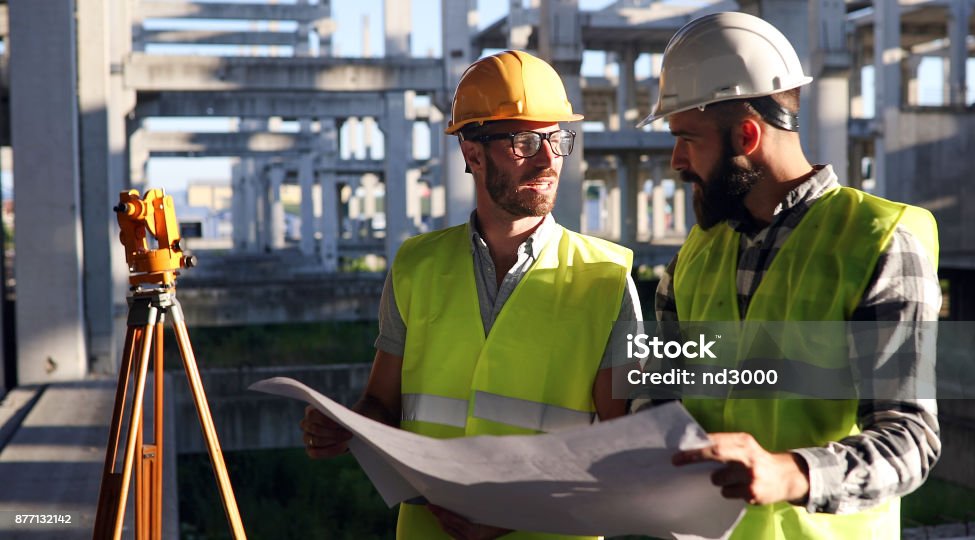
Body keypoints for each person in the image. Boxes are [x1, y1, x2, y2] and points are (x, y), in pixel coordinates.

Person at [301, 49, 642, 540]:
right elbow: (382, 404)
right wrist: (346, 426)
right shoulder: (417, 267)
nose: (549, 159)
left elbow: (624, 451)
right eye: (525, 142)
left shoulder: (604, 278)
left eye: (556, 139)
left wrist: (518, 513)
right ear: (472, 152)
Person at [636, 12, 942, 539]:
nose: (676, 161)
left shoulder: (880, 240)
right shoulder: (694, 256)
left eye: (687, 139)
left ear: (747, 135)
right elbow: (660, 400)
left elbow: (909, 440)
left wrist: (792, 472)